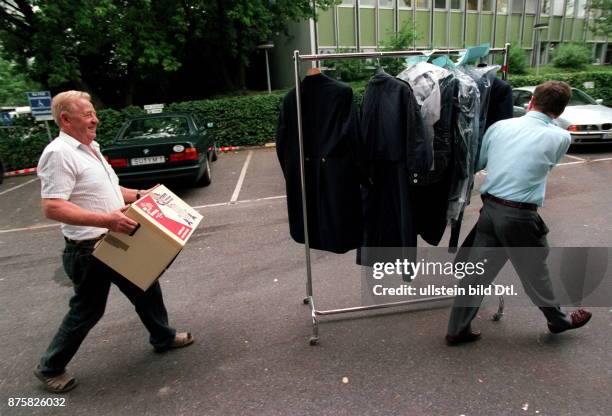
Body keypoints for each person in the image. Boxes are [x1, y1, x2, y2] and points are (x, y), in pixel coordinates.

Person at [34, 91, 194, 393]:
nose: (95, 119)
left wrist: (138, 195)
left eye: (94, 112)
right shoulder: (58, 153)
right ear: (66, 119)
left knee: (145, 285)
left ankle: (162, 337)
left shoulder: (89, 147)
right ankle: (50, 367)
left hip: (112, 238)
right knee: (87, 310)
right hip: (89, 249)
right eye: (87, 114)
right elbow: (52, 206)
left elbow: (108, 188)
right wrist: (107, 220)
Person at [446, 81, 592, 346]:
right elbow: (541, 166)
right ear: (559, 112)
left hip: (490, 209)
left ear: (531, 101)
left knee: (476, 275)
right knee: (536, 272)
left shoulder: (499, 127)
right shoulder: (560, 136)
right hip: (519, 215)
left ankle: (457, 329)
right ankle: (558, 321)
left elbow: (479, 164)